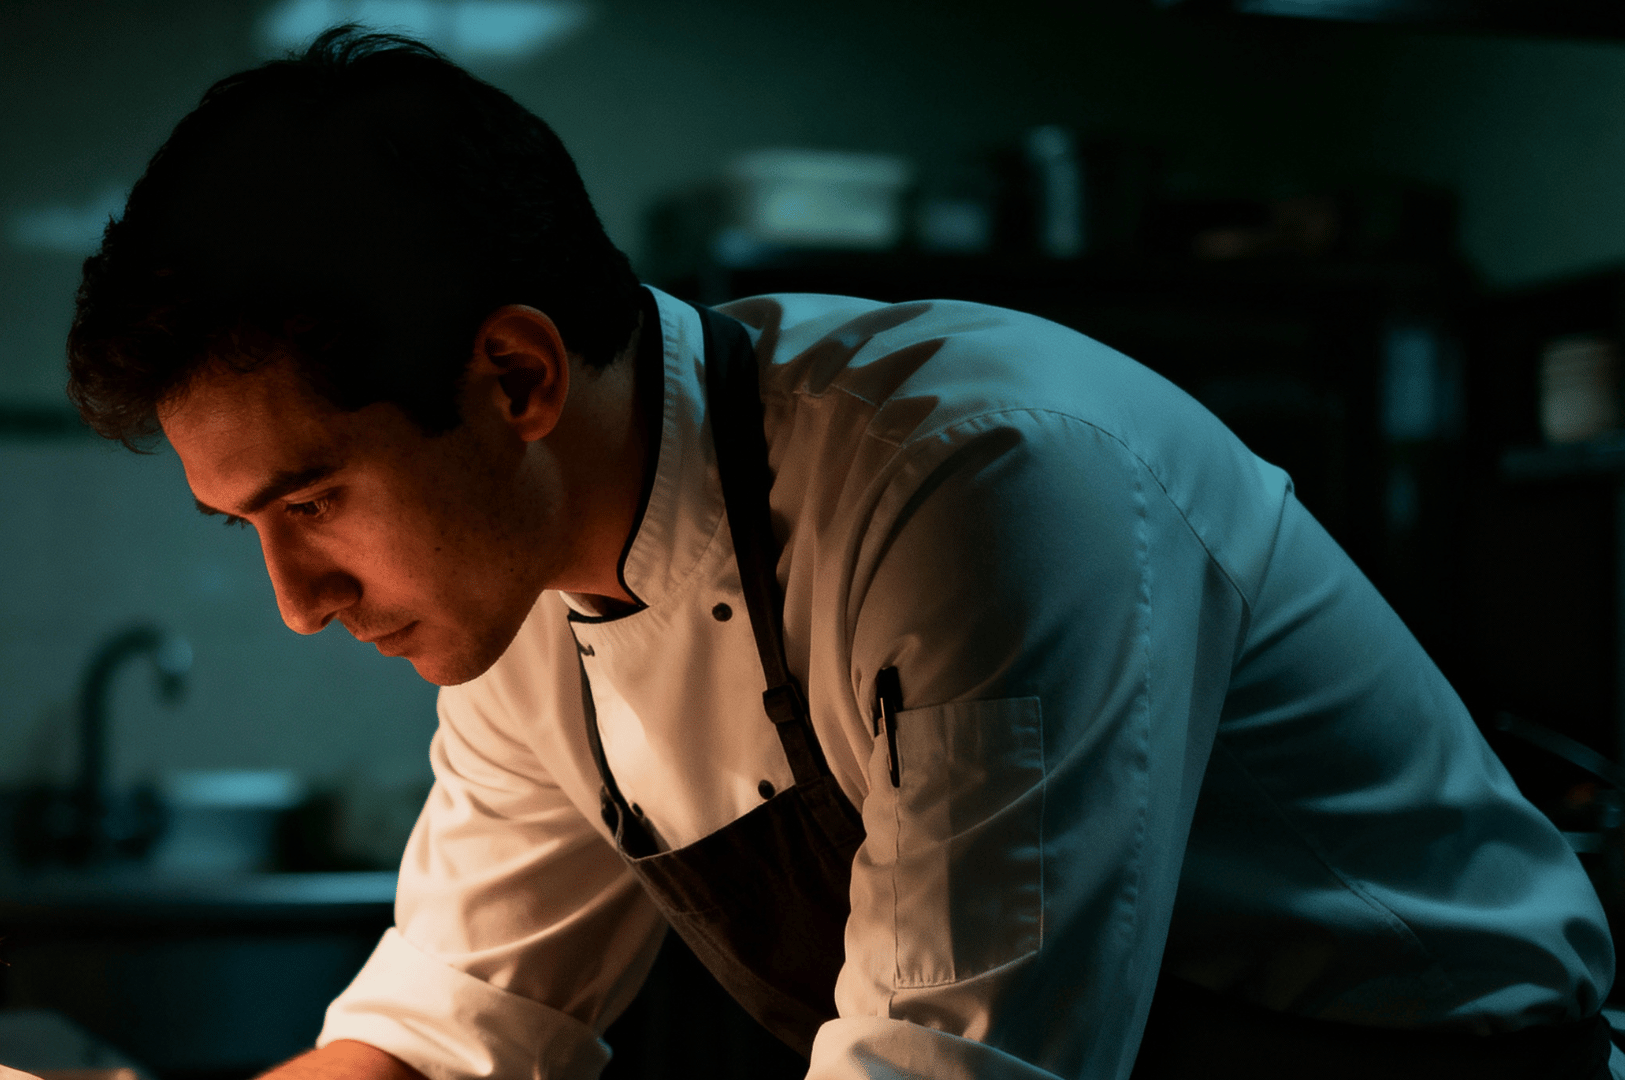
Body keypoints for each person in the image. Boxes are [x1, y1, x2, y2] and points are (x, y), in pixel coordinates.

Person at [65, 27, 1621, 1080]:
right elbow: (440, 1035)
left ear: (519, 379)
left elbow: (957, 1062)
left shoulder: (979, 490)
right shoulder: (529, 600)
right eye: (248, 528)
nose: (295, 601)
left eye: (312, 500)